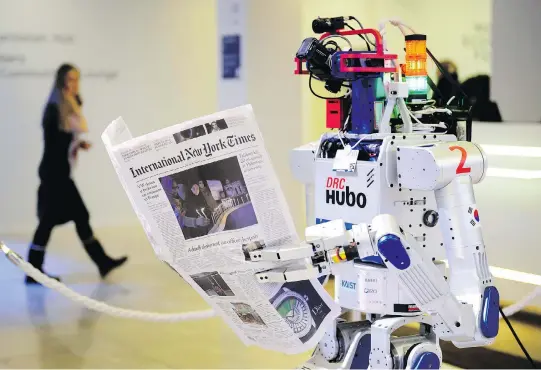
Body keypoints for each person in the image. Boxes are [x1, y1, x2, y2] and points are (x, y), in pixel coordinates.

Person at [25, 63, 127, 285]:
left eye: (77, 80)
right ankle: (33, 270)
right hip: (54, 175)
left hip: (60, 174)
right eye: (70, 80)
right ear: (62, 81)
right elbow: (58, 139)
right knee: (49, 222)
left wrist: (77, 144)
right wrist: (73, 135)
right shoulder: (55, 109)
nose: (75, 84)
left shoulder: (66, 107)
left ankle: (102, 262)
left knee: (78, 217)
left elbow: (67, 136)